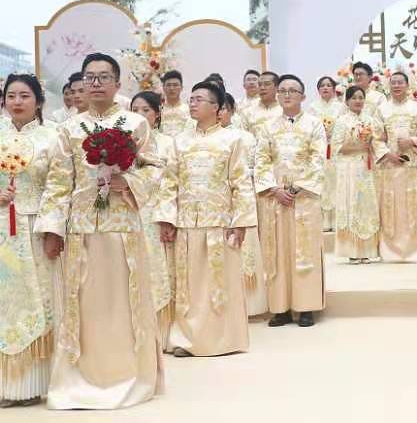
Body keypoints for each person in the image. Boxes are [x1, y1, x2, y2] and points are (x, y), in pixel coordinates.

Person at [36, 52, 163, 409]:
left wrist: (128, 181)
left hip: (122, 229)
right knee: (84, 305)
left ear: (117, 83)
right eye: (89, 77)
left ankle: (129, 374)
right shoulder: (68, 129)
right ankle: (81, 380)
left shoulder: (136, 123)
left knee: (123, 303)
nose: (95, 83)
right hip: (80, 229)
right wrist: (53, 229)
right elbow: (58, 182)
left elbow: (156, 168)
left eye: (103, 77)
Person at [155, 82, 255, 356]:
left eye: (199, 99)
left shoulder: (232, 140)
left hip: (220, 223)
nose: (192, 103)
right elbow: (169, 182)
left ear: (217, 107)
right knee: (188, 285)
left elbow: (241, 182)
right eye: (191, 99)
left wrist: (241, 221)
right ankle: (187, 339)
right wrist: (167, 218)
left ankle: (223, 340)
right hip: (187, 222)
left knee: (219, 283)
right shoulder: (179, 141)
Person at [0, 74, 61, 407]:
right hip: (2, 231)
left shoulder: (53, 137)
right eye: (11, 95)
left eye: (25, 95)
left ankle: (34, 383)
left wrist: (53, 230)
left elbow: (59, 187)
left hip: (36, 228)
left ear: (38, 101)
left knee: (39, 299)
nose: (17, 102)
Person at [254, 74, 326, 328]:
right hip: (276, 199)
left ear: (303, 96)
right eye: (282, 90)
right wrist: (274, 189)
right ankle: (280, 308)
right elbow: (261, 160)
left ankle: (306, 307)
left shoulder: (315, 125)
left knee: (304, 249)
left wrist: (296, 188)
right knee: (278, 251)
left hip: (304, 198)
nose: (286, 94)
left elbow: (318, 159)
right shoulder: (267, 127)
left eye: (292, 91)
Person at [130, 91, 176, 350]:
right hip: (129, 211)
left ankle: (162, 334)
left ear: (157, 114)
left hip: (156, 213)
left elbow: (170, 183)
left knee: (159, 270)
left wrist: (166, 217)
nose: (139, 114)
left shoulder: (167, 143)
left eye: (145, 110)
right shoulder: (122, 142)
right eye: (135, 109)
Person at [218, 93, 268, 320]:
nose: (220, 113)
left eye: (224, 108)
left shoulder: (246, 138)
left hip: (240, 197)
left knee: (245, 248)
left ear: (232, 110)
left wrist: (239, 176)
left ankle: (251, 304)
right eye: (217, 108)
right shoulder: (201, 139)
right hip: (216, 204)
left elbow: (259, 166)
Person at [330, 86, 386, 263]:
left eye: (361, 97)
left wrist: (383, 152)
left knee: (367, 205)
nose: (358, 101)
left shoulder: (370, 120)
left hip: (367, 168)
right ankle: (352, 250)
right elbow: (337, 147)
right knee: (352, 203)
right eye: (354, 98)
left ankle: (368, 249)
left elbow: (378, 143)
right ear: (347, 101)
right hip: (349, 169)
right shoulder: (342, 121)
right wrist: (359, 145)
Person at [375, 72, 417, 262]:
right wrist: (388, 154)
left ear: (407, 85)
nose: (396, 86)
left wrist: (412, 141)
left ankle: (415, 249)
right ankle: (391, 250)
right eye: (393, 82)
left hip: (413, 166)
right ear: (388, 85)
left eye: (400, 82)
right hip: (390, 166)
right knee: (391, 207)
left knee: (414, 206)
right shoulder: (382, 109)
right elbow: (376, 137)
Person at [308, 76, 346, 232]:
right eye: (322, 85)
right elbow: (309, 127)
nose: (325, 88)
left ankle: (336, 217)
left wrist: (333, 134)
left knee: (336, 180)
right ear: (318, 90)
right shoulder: (312, 107)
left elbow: (345, 126)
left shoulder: (341, 107)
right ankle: (324, 218)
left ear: (334, 88)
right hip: (320, 148)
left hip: (336, 149)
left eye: (328, 85)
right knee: (322, 181)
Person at [240, 71, 282, 136]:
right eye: (259, 85)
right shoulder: (248, 111)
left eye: (267, 84)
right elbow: (243, 136)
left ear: (277, 87)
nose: (262, 88)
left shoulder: (286, 108)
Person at [160, 70, 190, 137]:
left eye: (175, 85)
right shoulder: (158, 110)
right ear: (163, 88)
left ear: (181, 88)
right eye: (168, 85)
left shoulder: (189, 110)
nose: (172, 88)